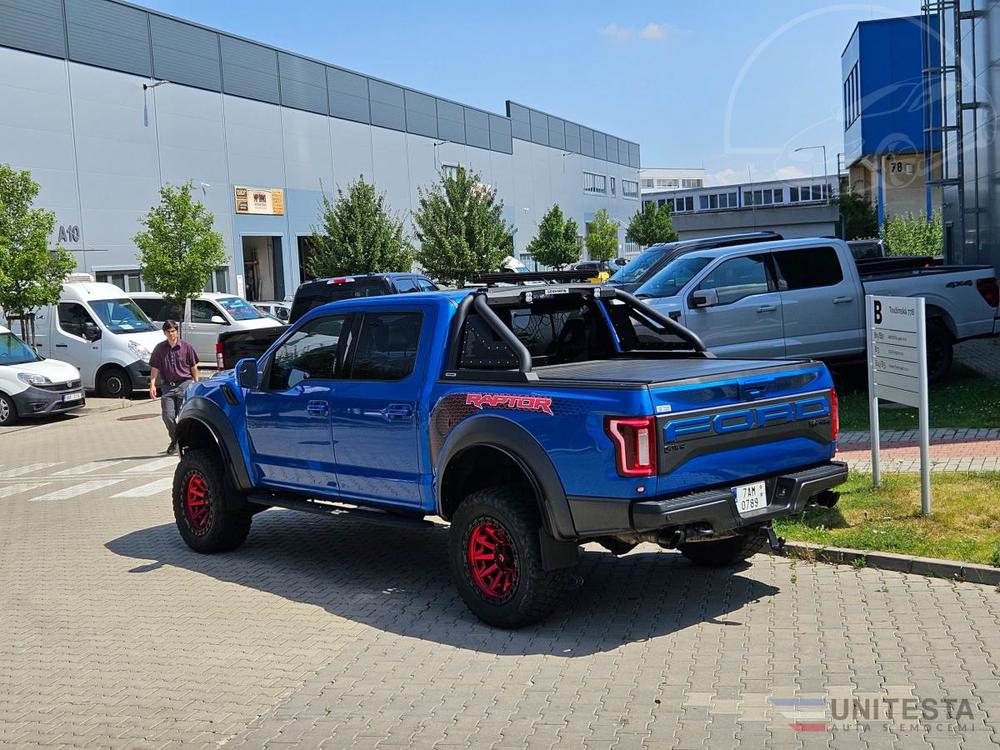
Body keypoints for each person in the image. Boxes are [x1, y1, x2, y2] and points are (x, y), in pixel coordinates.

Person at [148, 320, 199, 455]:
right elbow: (154, 367)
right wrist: (152, 384)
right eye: (169, 332)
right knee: (167, 416)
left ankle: (183, 442)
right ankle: (176, 440)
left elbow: (193, 367)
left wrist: (196, 384)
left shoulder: (186, 347)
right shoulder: (160, 349)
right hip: (167, 387)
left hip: (184, 384)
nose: (172, 334)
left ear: (177, 331)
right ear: (164, 333)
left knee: (183, 417)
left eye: (174, 331)